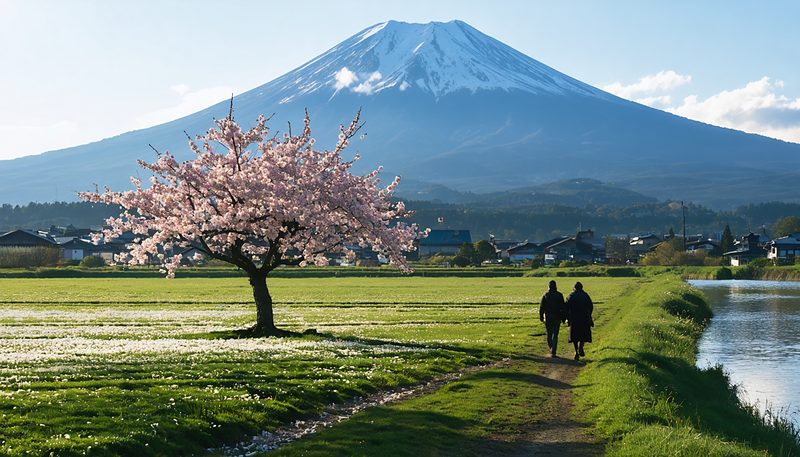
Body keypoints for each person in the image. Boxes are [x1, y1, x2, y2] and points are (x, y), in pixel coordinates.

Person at [566, 281, 594, 361]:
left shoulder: (571, 296)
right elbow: (591, 306)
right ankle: (581, 346)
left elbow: (567, 307)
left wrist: (567, 317)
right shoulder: (585, 295)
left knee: (575, 336)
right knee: (583, 334)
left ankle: (576, 352)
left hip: (574, 319)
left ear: (574, 287)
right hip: (584, 318)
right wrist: (589, 315)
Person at [539, 280, 566, 358]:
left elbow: (542, 307)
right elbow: (563, 307)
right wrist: (564, 318)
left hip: (548, 317)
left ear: (549, 286)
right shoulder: (559, 295)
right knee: (556, 334)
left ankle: (551, 348)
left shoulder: (546, 295)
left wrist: (541, 316)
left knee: (549, 334)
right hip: (557, 317)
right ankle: (553, 350)